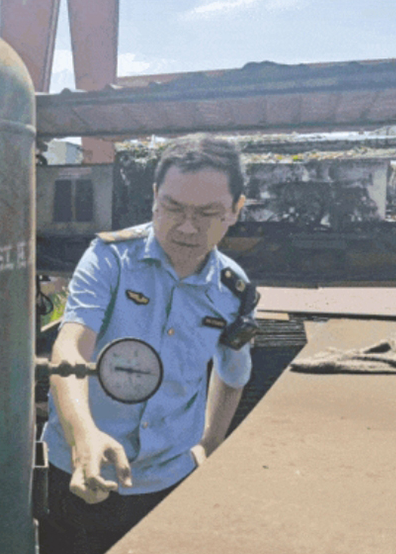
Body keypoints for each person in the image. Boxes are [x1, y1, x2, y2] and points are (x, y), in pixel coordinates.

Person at [39, 134, 255, 554]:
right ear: (155, 197)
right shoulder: (109, 259)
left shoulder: (234, 290)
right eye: (173, 207)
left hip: (167, 481)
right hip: (77, 469)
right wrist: (84, 438)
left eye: (207, 213)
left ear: (235, 209)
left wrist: (209, 445)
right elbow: (72, 348)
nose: (187, 226)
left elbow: (233, 373)